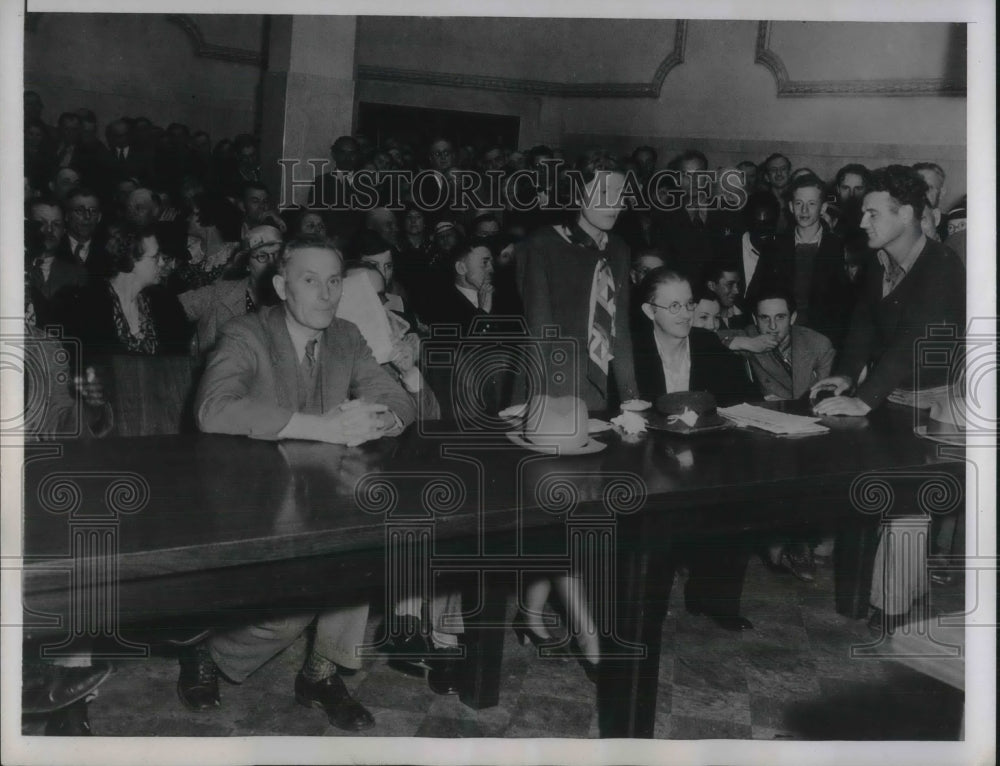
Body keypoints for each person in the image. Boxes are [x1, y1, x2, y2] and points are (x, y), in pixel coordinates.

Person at [180, 239, 417, 730]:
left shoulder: (346, 336)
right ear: (282, 286)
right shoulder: (245, 332)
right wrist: (323, 427)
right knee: (287, 615)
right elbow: (213, 408)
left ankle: (321, 671)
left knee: (363, 549)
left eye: (334, 281)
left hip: (321, 492)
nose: (327, 294)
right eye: (311, 280)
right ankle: (207, 651)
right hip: (251, 498)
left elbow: (396, 398)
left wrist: (375, 419)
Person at [811, 165, 966, 635]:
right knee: (898, 503)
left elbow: (915, 340)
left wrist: (865, 399)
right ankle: (895, 597)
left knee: (905, 501)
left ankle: (892, 609)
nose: (863, 223)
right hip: (895, 394)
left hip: (938, 402)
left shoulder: (942, 265)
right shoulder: (881, 261)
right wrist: (843, 375)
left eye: (873, 213)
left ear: (907, 214)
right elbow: (862, 324)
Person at [633, 267, 758, 631]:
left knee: (740, 500)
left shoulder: (706, 344)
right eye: (672, 306)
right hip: (648, 459)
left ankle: (713, 599)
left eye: (688, 304)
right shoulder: (630, 351)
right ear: (648, 311)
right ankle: (647, 608)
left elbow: (744, 401)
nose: (685, 314)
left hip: (705, 457)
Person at [518, 155, 638, 411]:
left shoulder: (619, 249)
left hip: (600, 383)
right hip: (553, 382)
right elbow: (540, 332)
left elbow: (621, 328)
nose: (613, 204)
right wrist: (539, 402)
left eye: (619, 194)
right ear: (576, 196)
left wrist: (631, 397)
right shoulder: (543, 244)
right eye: (603, 192)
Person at [753, 174, 852, 350]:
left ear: (823, 208)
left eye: (812, 204)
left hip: (825, 341)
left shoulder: (840, 247)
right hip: (781, 340)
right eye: (799, 203)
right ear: (791, 206)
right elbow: (757, 292)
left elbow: (847, 306)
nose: (804, 210)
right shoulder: (774, 246)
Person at [179, 225, 283, 355]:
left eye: (277, 256)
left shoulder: (293, 300)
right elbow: (172, 310)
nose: (272, 264)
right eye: (262, 256)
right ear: (247, 265)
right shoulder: (219, 294)